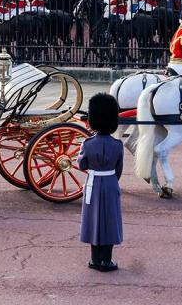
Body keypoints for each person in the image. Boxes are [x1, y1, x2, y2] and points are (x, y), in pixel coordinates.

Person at [77, 93, 124, 273]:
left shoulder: (87, 144)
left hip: (93, 183)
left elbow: (82, 164)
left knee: (93, 220)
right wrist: (111, 181)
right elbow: (118, 169)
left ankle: (95, 259)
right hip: (111, 182)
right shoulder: (118, 145)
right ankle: (107, 260)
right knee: (110, 221)